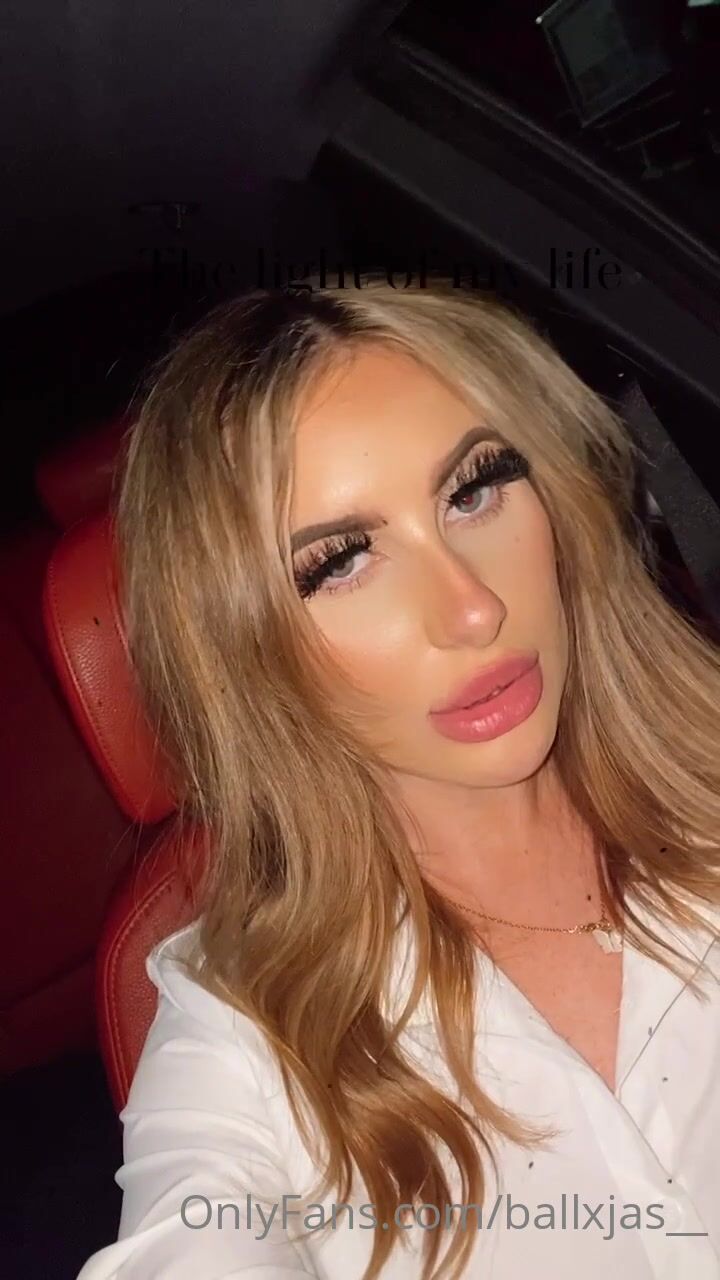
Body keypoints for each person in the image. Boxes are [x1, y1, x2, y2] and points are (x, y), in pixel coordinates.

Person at [76, 278, 720, 1280]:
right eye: (341, 562)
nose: (472, 609)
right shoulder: (242, 1037)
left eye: (474, 490)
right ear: (246, 649)